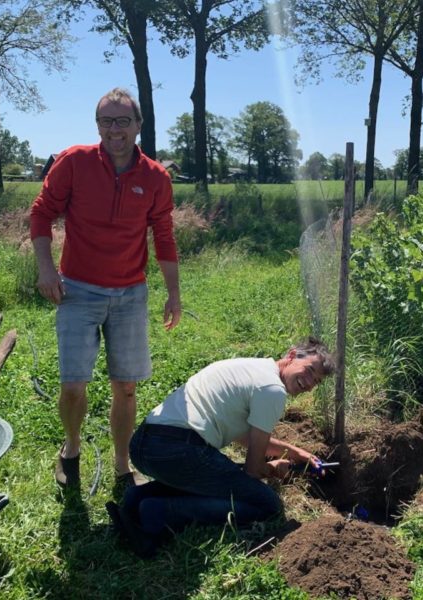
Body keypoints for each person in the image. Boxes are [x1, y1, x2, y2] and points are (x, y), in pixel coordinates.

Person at [30, 88, 181, 490]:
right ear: (97, 125)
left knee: (126, 387)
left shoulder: (154, 177)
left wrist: (173, 293)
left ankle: (121, 464)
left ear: (138, 125)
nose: (114, 130)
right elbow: (42, 213)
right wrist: (47, 269)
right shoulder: (74, 163)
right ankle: (72, 447)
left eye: (122, 121)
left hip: (130, 294)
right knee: (73, 383)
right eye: (106, 121)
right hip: (77, 291)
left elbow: (163, 235)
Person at [105, 337, 335, 558]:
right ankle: (159, 512)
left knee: (221, 477)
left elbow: (245, 437)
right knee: (267, 503)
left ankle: (138, 496)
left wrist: (295, 453)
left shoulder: (250, 367)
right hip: (179, 451)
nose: (310, 382)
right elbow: (253, 470)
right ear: (292, 356)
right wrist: (273, 468)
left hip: (145, 445)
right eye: (309, 370)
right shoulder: (272, 389)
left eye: (316, 381)